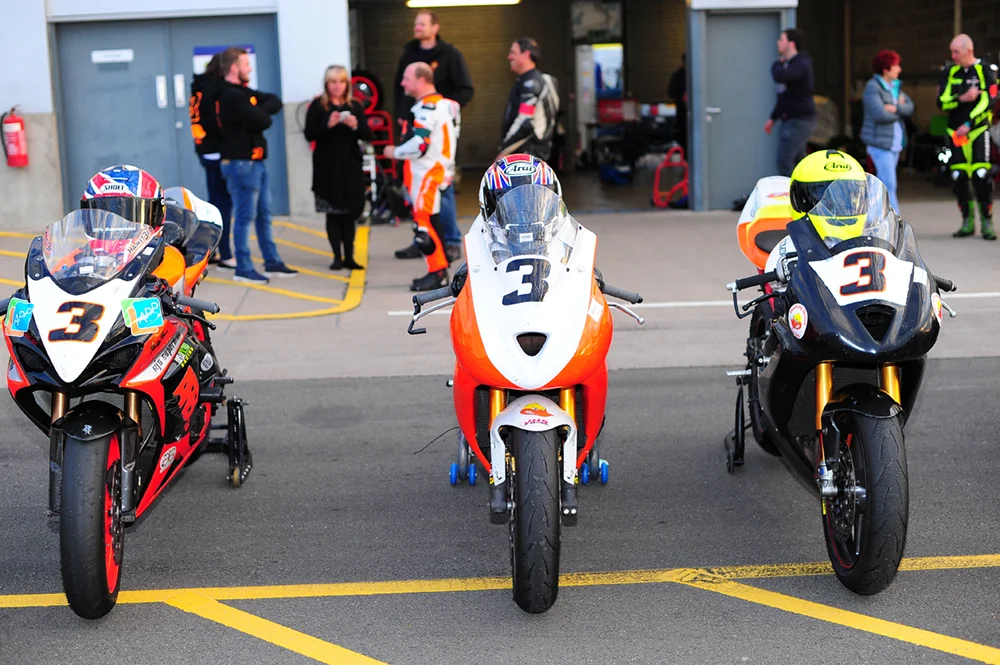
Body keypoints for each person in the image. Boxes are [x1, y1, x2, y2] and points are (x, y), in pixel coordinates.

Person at [393, 10, 474, 264]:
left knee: (441, 188)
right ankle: (423, 239)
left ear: (435, 27)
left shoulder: (450, 55)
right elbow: (399, 88)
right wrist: (401, 116)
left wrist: (443, 110)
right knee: (416, 188)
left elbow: (465, 91)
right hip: (414, 125)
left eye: (421, 23)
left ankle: (449, 242)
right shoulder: (409, 54)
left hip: (438, 134)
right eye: (415, 23)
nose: (416, 27)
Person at [216, 46, 297, 283]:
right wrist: (255, 112)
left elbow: (274, 102)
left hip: (255, 163)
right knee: (244, 217)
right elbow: (262, 120)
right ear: (234, 68)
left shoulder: (243, 93)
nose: (249, 68)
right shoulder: (229, 95)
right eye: (246, 64)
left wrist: (254, 109)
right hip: (241, 165)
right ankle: (243, 267)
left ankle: (271, 261)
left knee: (264, 214)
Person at [383, 62, 458, 292]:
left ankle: (437, 274)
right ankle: (439, 271)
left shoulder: (427, 108)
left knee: (424, 226)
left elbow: (420, 145)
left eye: (406, 78)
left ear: (421, 80)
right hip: (437, 171)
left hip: (427, 174)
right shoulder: (447, 105)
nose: (403, 83)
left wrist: (394, 152)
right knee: (432, 223)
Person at [305, 65, 371, 271]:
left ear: (347, 84)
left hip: (350, 167)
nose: (337, 86)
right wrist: (328, 124)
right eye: (333, 82)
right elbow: (310, 134)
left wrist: (355, 126)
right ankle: (336, 257)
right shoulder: (318, 106)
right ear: (327, 84)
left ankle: (349, 257)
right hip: (327, 167)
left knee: (348, 213)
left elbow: (368, 134)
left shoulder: (355, 106)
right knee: (332, 213)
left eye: (341, 82)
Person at [937, 34, 998, 240]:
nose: (952, 56)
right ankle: (967, 221)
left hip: (977, 132)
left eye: (956, 52)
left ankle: (987, 222)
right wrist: (962, 98)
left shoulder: (985, 70)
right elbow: (942, 102)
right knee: (958, 177)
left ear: (968, 51)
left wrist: (969, 123)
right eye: (951, 52)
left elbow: (989, 101)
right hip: (954, 133)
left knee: (981, 174)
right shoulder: (949, 71)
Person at [188, 52, 234, 268]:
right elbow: (215, 120)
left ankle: (212, 251)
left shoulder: (198, 86)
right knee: (221, 204)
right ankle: (223, 252)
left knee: (215, 202)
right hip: (216, 151)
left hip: (204, 149)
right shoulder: (213, 90)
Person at [861, 50, 914, 214]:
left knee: (885, 183)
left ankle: (878, 219)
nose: (899, 69)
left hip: (893, 144)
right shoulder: (873, 87)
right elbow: (879, 114)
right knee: (888, 183)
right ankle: (893, 220)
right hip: (880, 144)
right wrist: (900, 110)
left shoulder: (894, 87)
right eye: (896, 65)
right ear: (886, 69)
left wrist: (895, 108)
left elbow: (910, 107)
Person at [765, 28, 817, 177]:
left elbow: (782, 76)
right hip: (791, 120)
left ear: (791, 44)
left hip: (800, 121)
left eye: (782, 39)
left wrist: (776, 64)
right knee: (799, 159)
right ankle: (807, 192)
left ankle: (793, 195)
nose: (778, 43)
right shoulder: (788, 64)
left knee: (784, 160)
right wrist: (772, 118)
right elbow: (784, 96)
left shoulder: (801, 63)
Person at [499, 37, 560, 161]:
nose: (509, 57)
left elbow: (525, 121)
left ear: (526, 55)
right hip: (530, 154)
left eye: (513, 53)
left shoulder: (531, 83)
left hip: (528, 155)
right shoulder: (528, 81)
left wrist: (504, 150)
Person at [667, 53, 687, 152]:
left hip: (682, 110)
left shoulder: (677, 75)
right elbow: (671, 92)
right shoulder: (679, 75)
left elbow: (670, 92)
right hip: (683, 110)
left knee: (683, 134)